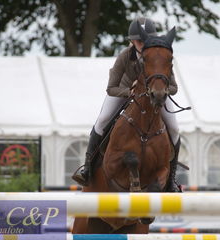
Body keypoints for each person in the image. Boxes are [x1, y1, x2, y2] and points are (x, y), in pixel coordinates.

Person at [72, 17, 181, 192]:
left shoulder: (158, 55)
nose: (142, 43)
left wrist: (162, 89)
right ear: (131, 41)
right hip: (123, 93)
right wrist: (129, 92)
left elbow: (174, 87)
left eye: (145, 39)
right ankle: (87, 168)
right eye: (138, 40)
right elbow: (111, 88)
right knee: (102, 120)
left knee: (174, 129)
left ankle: (172, 179)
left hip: (156, 94)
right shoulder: (124, 56)